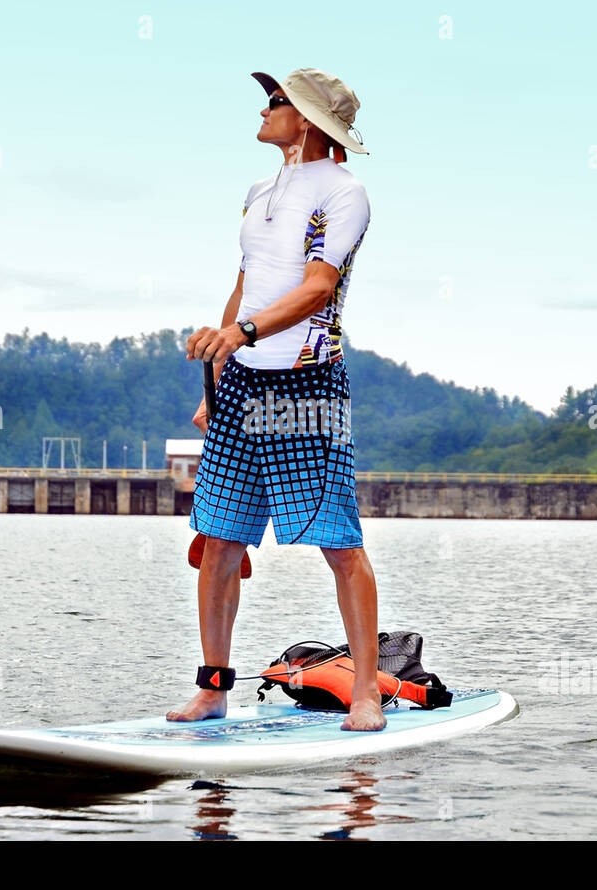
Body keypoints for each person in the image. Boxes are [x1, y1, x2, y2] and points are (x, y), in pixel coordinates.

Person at [168, 68, 384, 731]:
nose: (264, 109)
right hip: (241, 383)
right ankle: (213, 686)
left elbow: (318, 288)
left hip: (306, 383)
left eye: (278, 101)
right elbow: (249, 283)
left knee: (338, 543)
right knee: (220, 540)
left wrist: (245, 331)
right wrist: (222, 353)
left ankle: (369, 693)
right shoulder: (260, 190)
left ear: (312, 124)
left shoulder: (344, 195)